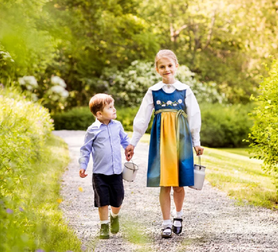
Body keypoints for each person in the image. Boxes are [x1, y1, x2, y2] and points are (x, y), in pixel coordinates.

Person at [125, 49, 204, 238]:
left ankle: (179, 215)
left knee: (179, 183)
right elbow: (142, 119)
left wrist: (197, 142)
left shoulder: (184, 90)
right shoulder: (153, 92)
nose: (166, 69)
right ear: (157, 69)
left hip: (181, 140)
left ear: (176, 66)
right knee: (164, 183)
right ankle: (166, 222)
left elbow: (194, 116)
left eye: (169, 65)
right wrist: (133, 143)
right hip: (161, 142)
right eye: (162, 66)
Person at [79, 93, 133, 239]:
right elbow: (86, 149)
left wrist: (128, 148)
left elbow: (124, 140)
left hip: (116, 172)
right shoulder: (92, 130)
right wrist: (83, 165)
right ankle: (104, 226)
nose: (114, 109)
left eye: (113, 106)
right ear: (99, 113)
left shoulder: (118, 126)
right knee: (102, 200)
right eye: (110, 107)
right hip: (100, 173)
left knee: (118, 199)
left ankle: (114, 216)